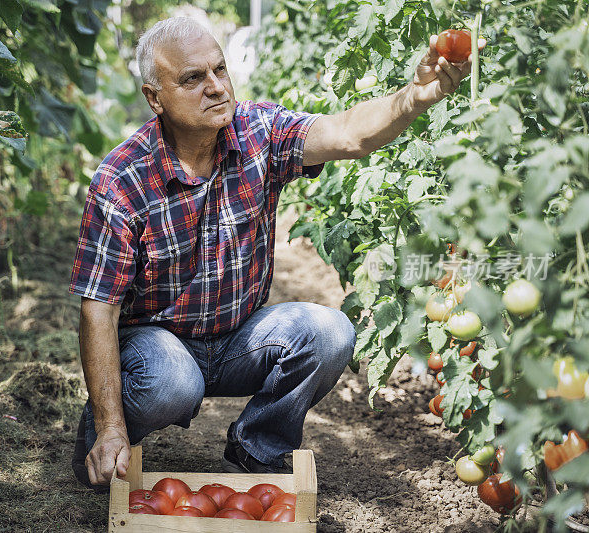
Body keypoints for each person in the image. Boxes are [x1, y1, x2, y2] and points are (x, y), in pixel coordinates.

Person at [69, 16, 483, 490]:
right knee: (172, 383)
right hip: (156, 346)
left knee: (328, 332)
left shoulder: (257, 132)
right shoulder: (122, 181)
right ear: (154, 97)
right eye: (192, 78)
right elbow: (98, 310)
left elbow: (347, 133)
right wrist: (110, 426)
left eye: (219, 70)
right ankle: (104, 443)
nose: (215, 87)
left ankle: (256, 446)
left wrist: (415, 95)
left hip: (236, 337)